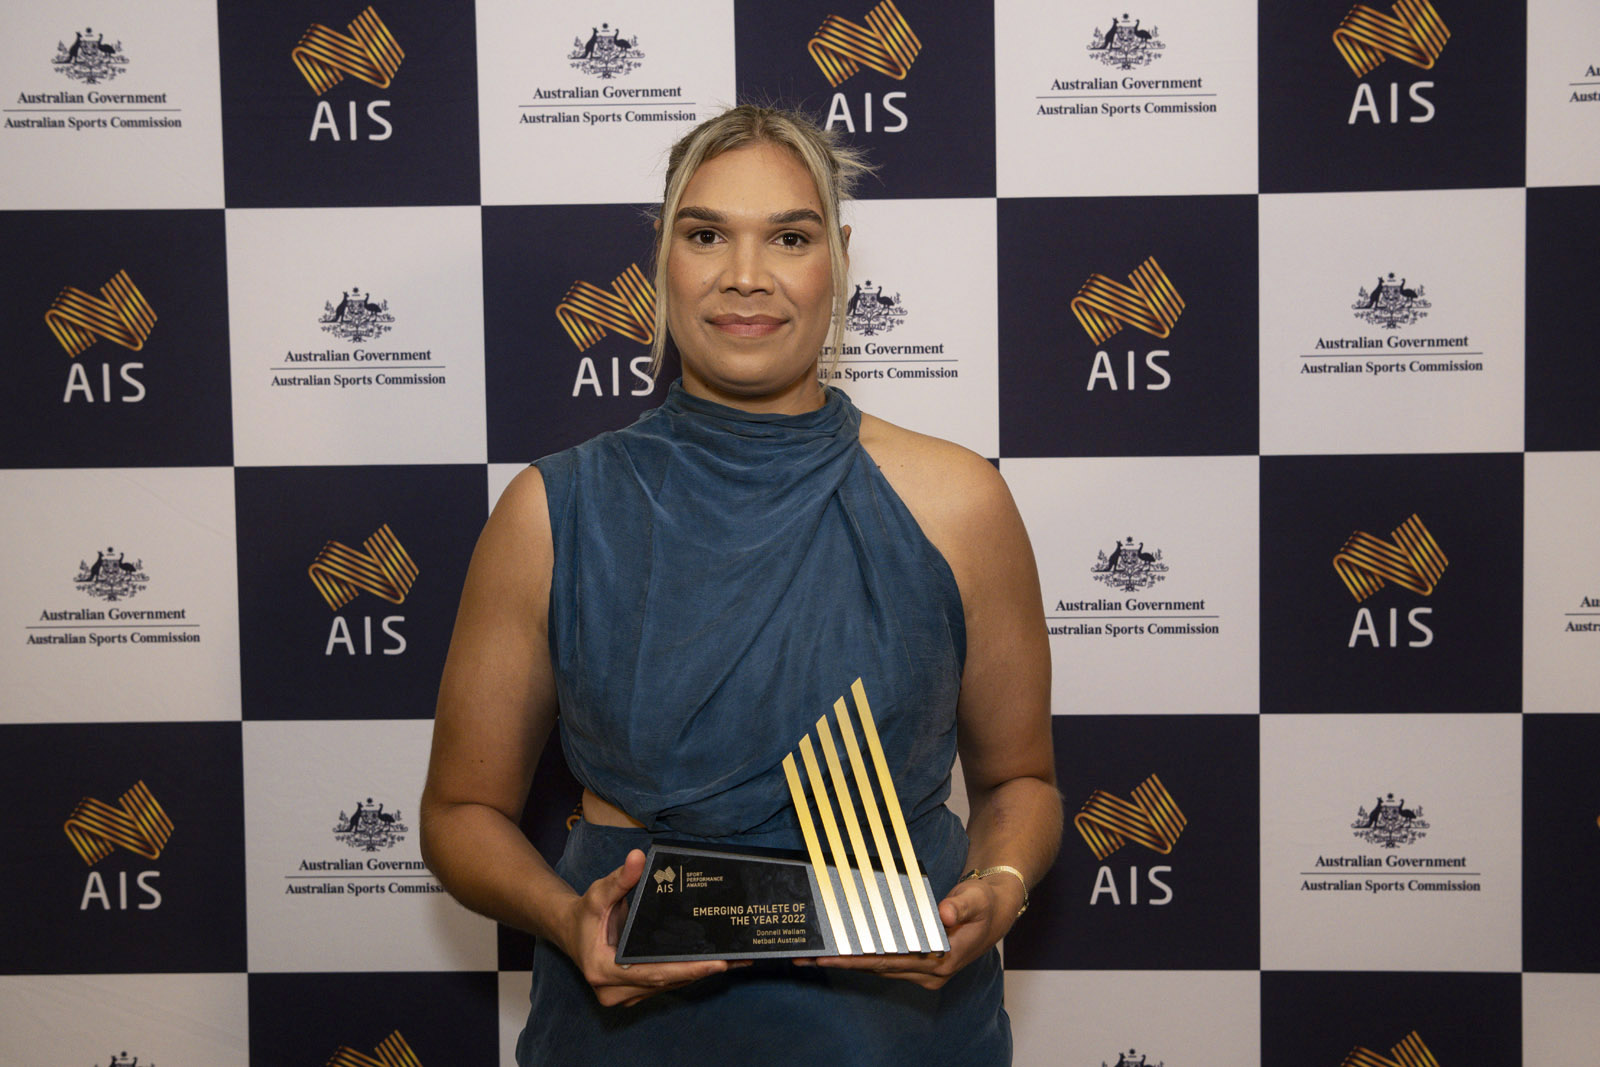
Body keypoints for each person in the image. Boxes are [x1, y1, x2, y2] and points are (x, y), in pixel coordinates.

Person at [420, 105, 1061, 1065]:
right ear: (662, 257)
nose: (746, 275)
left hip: (893, 1035)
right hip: (627, 1034)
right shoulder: (551, 512)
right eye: (707, 233)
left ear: (838, 258)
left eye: (790, 238)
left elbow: (1022, 780)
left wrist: (1000, 884)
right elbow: (457, 814)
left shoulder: (961, 502)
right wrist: (564, 914)